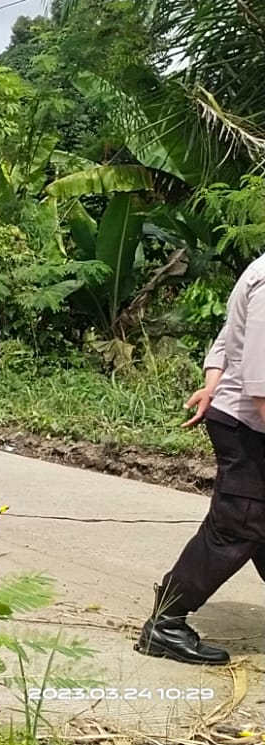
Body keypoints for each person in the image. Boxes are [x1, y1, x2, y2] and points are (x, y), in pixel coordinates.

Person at [135, 251, 265, 666]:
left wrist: (212, 385)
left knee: (257, 521)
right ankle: (167, 622)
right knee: (238, 523)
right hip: (248, 424)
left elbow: (229, 338)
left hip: (242, 413)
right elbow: (262, 388)